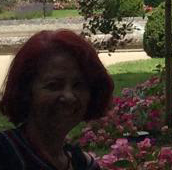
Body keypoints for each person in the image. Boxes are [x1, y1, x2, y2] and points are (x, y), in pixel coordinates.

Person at [0, 29, 114, 169]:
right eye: (54, 86)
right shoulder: (6, 155)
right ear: (26, 91)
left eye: (78, 85)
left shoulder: (83, 164)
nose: (69, 96)